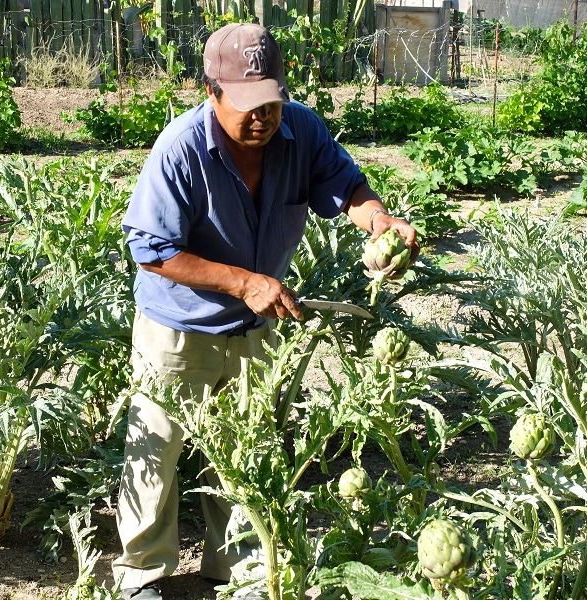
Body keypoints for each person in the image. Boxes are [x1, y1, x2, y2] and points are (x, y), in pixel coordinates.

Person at [113, 22, 418, 600]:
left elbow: (345, 185)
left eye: (271, 102)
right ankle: (142, 575)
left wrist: (381, 223)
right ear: (212, 92)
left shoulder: (301, 130)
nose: (262, 117)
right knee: (157, 448)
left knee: (246, 449)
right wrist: (242, 281)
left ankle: (236, 569)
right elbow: (150, 249)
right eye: (247, 106)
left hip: (257, 326)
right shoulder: (180, 149)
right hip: (180, 327)